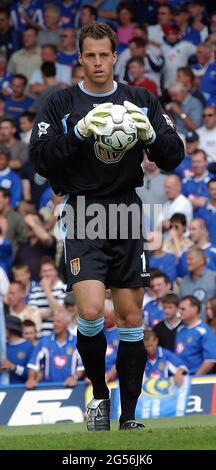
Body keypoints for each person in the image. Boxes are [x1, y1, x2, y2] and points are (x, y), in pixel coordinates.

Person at [30, 22, 184, 431]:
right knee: (93, 310)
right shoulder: (59, 104)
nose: (98, 62)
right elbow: (41, 160)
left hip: (126, 212)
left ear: (115, 57)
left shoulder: (140, 100)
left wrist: (152, 135)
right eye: (90, 55)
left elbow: (174, 156)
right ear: (79, 58)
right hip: (82, 212)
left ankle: (129, 417)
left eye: (104, 55)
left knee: (132, 319)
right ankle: (99, 393)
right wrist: (79, 134)